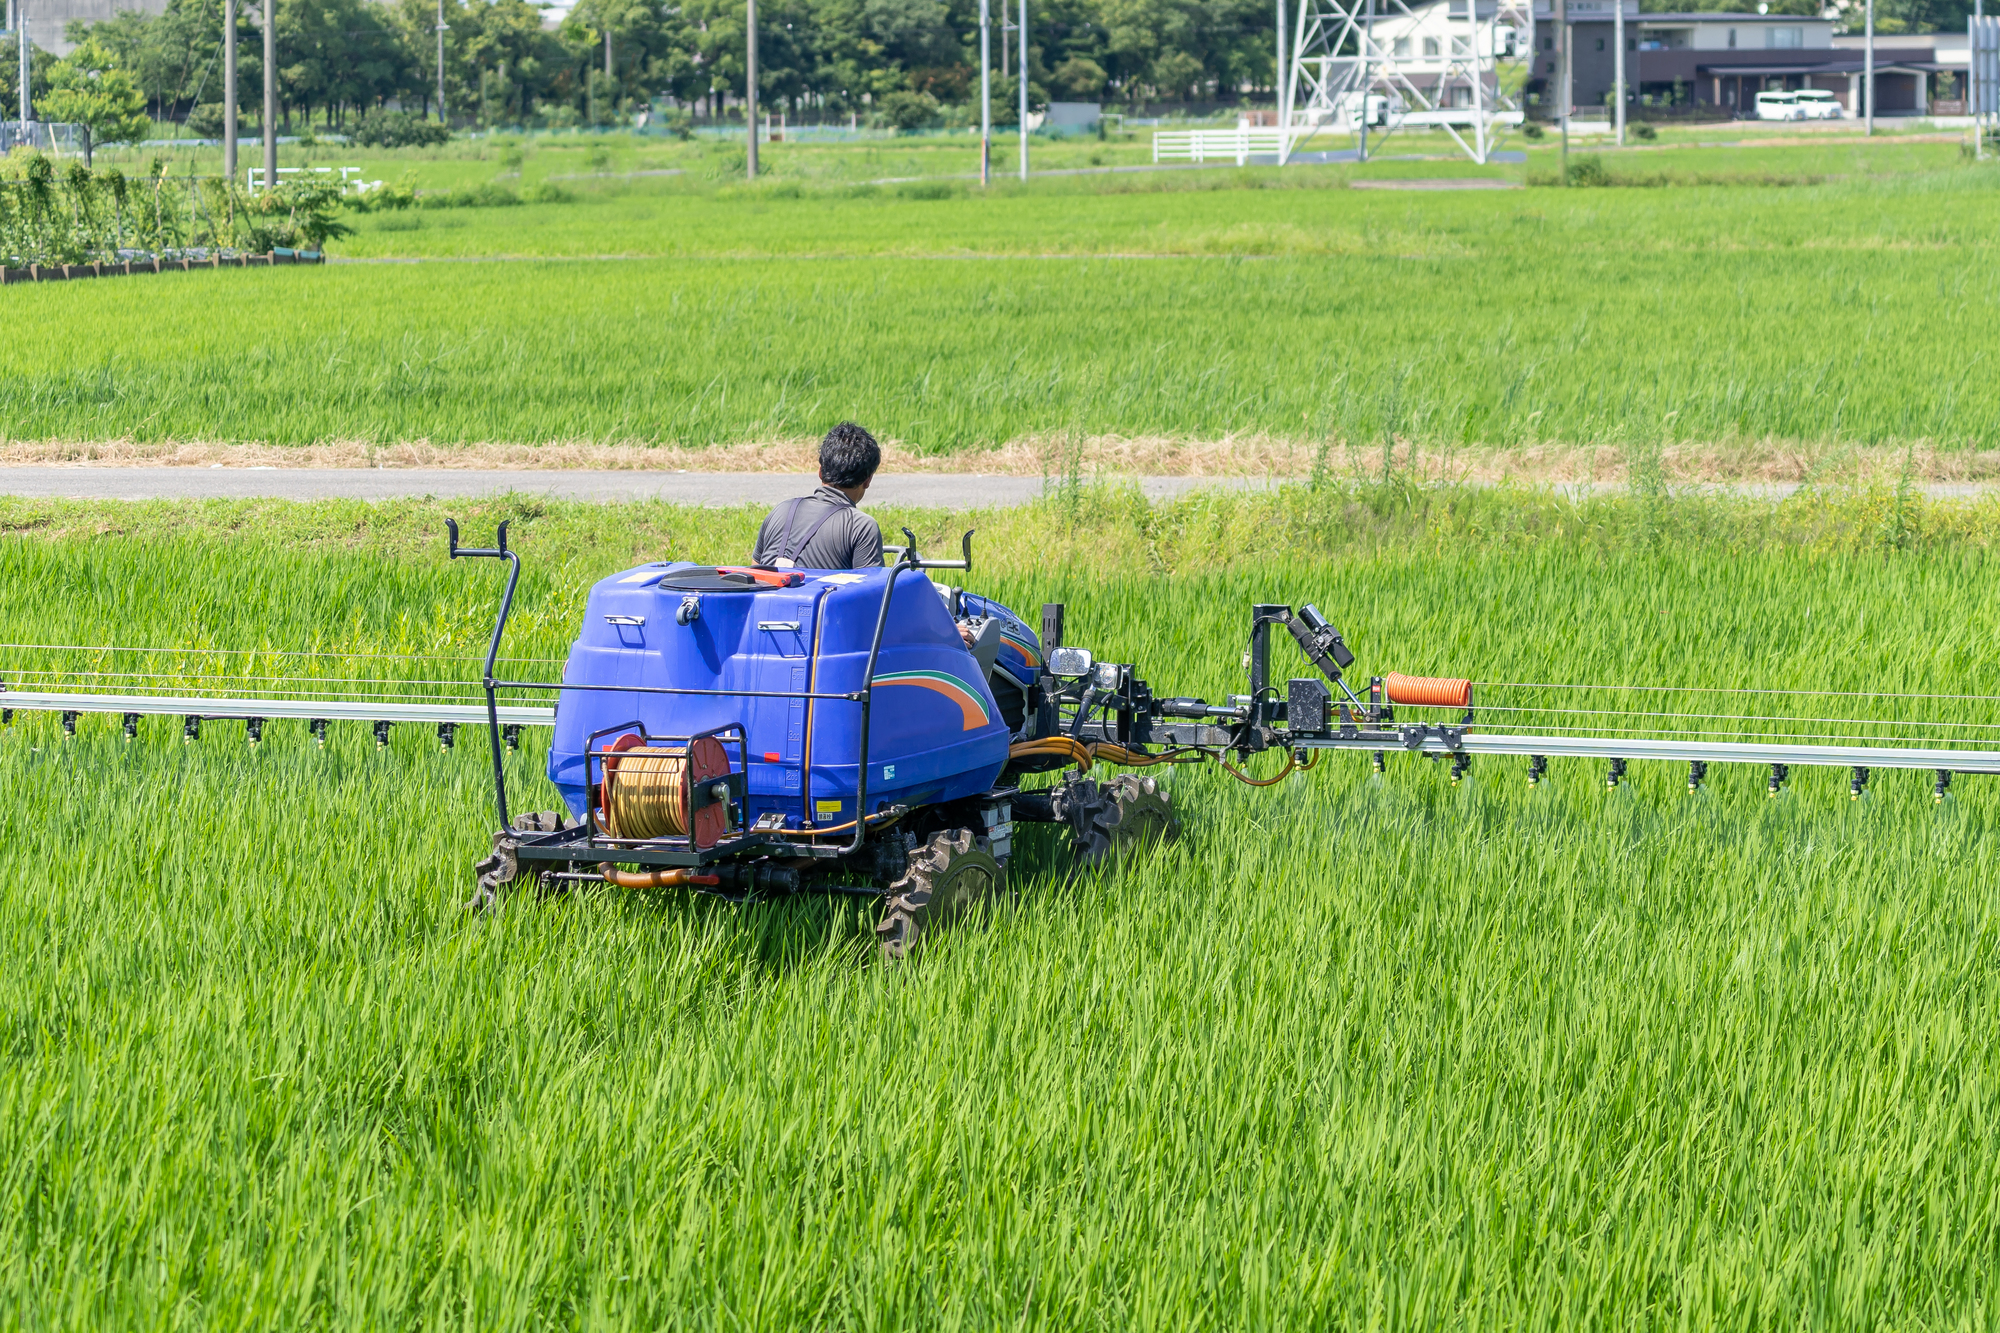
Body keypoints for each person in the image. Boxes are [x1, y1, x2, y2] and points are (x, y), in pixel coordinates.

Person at [752, 422, 886, 571]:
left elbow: (755, 573)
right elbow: (871, 590)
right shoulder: (861, 527)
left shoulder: (780, 511)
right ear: (868, 480)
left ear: (820, 471)